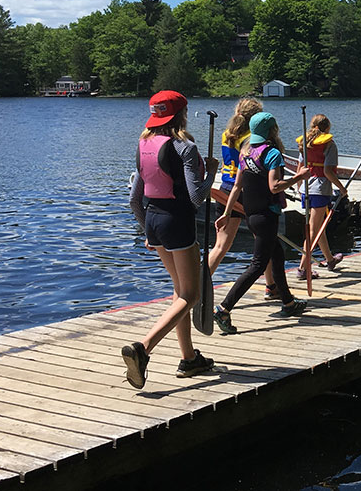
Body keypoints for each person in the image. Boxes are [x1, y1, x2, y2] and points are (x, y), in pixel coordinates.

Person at [123, 90, 218, 388]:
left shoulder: (143, 144)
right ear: (181, 115)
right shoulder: (184, 147)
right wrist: (211, 173)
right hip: (177, 222)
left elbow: (133, 200)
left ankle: (189, 359)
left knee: (180, 293)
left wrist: (147, 232)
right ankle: (143, 348)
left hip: (153, 220)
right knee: (191, 296)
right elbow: (197, 197)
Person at [212, 112, 311, 334]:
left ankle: (288, 303)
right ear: (272, 131)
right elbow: (274, 186)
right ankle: (224, 308)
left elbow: (237, 186)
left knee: (277, 254)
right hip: (267, 215)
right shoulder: (272, 154)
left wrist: (227, 213)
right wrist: (299, 177)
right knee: (257, 265)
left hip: (251, 214)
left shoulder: (245, 153)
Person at [209, 97, 277, 298]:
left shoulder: (227, 134)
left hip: (225, 189)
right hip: (247, 193)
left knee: (220, 246)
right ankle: (271, 286)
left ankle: (200, 283)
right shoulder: (250, 138)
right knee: (264, 243)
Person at [295, 113, 347, 275]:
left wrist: (298, 186)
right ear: (327, 128)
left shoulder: (305, 142)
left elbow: (300, 166)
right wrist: (342, 188)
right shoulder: (329, 144)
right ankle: (303, 269)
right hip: (320, 189)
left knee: (319, 227)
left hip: (306, 188)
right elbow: (328, 171)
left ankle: (330, 260)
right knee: (312, 230)